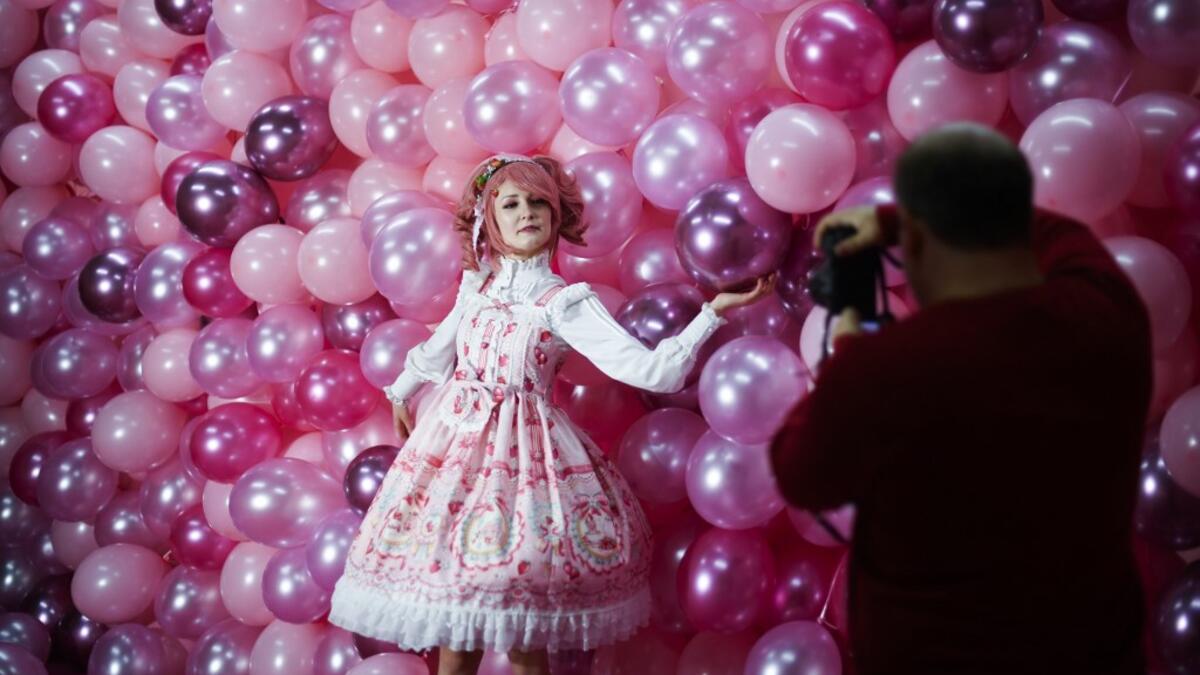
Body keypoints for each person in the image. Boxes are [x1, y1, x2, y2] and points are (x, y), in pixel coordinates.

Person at [328, 154, 773, 675]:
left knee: (522, 633)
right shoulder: (479, 288)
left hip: (525, 469)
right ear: (489, 219)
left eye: (539, 201)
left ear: (557, 214)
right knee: (455, 623)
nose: (526, 213)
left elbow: (655, 374)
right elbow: (439, 350)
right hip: (453, 458)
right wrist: (401, 394)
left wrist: (709, 315)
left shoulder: (563, 302)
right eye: (511, 203)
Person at [770, 124, 1152, 674]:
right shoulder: (1106, 313)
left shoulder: (884, 369)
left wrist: (849, 335)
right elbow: (1068, 241)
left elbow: (801, 472)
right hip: (1090, 652)